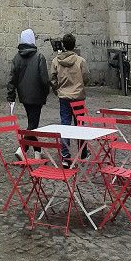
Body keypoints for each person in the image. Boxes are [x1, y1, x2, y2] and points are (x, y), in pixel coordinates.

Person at [7, 29, 50, 159]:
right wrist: (46, 92)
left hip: (24, 95)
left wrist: (11, 95)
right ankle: (22, 148)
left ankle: (38, 151)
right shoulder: (39, 57)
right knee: (33, 125)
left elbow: (12, 79)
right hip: (37, 95)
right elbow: (44, 79)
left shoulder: (17, 58)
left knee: (32, 122)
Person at [50, 33, 88, 165]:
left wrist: (57, 90)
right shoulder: (80, 61)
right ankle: (83, 154)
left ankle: (65, 156)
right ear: (74, 44)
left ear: (63, 45)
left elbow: (52, 79)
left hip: (64, 97)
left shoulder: (56, 61)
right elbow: (86, 77)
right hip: (78, 97)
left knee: (65, 125)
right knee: (80, 125)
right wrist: (80, 86)